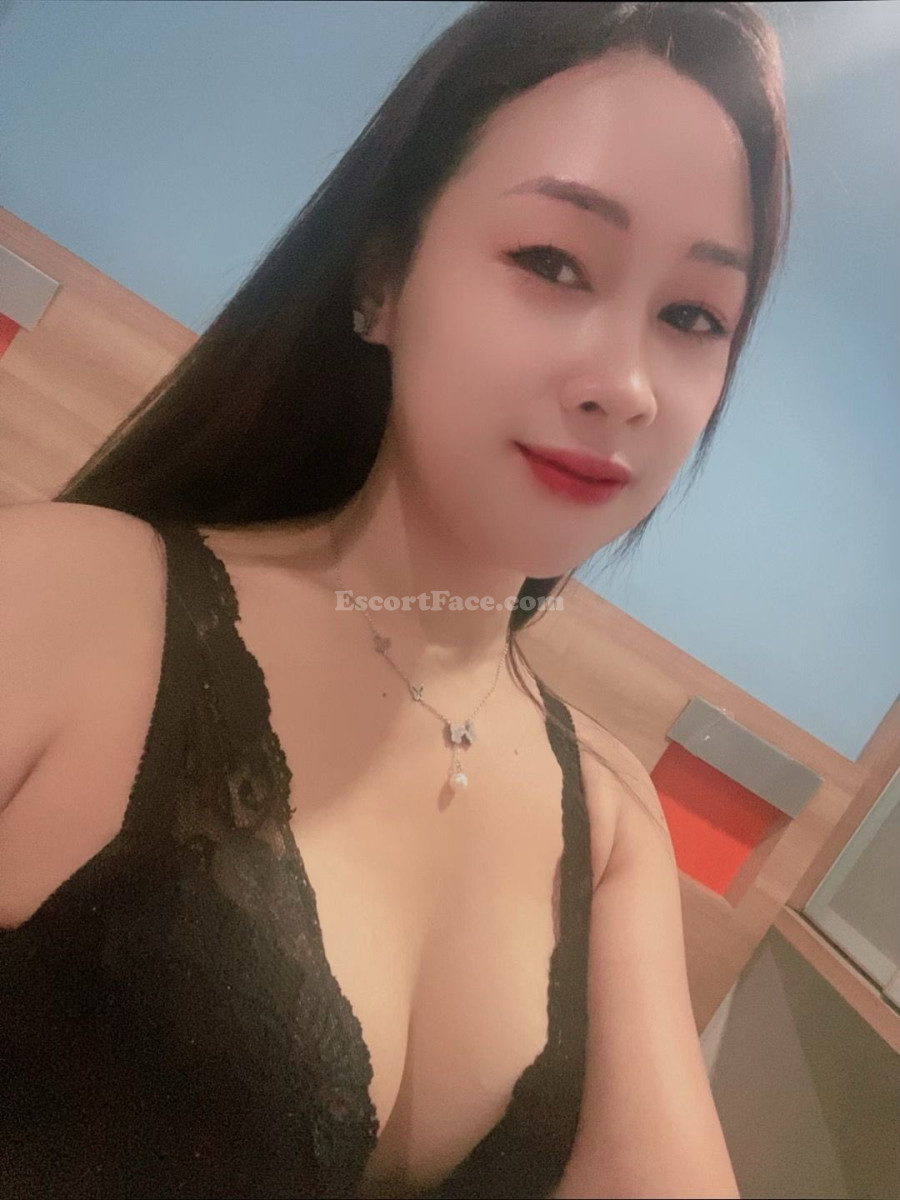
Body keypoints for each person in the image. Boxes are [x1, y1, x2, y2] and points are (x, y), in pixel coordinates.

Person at [0, 3, 792, 1197]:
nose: (627, 385)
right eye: (552, 261)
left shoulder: (615, 821)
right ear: (381, 278)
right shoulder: (67, 594)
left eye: (692, 316)